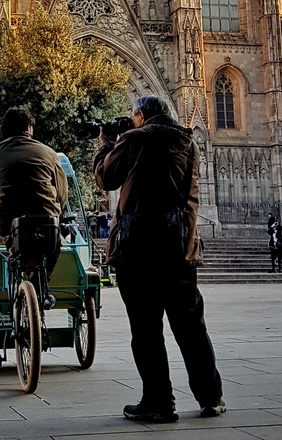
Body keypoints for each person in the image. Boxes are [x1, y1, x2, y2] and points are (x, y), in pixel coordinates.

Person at [94, 93, 224, 424]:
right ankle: (212, 397)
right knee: (191, 325)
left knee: (146, 327)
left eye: (132, 116)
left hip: (139, 249)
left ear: (140, 116)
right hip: (179, 245)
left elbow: (107, 178)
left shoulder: (136, 139)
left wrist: (107, 144)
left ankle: (159, 402)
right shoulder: (187, 141)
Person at [0, 105, 68, 295]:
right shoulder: (48, 153)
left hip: (5, 219)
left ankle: (12, 252)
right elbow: (61, 190)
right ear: (29, 128)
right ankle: (41, 290)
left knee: (9, 232)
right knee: (54, 246)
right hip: (44, 217)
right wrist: (58, 211)